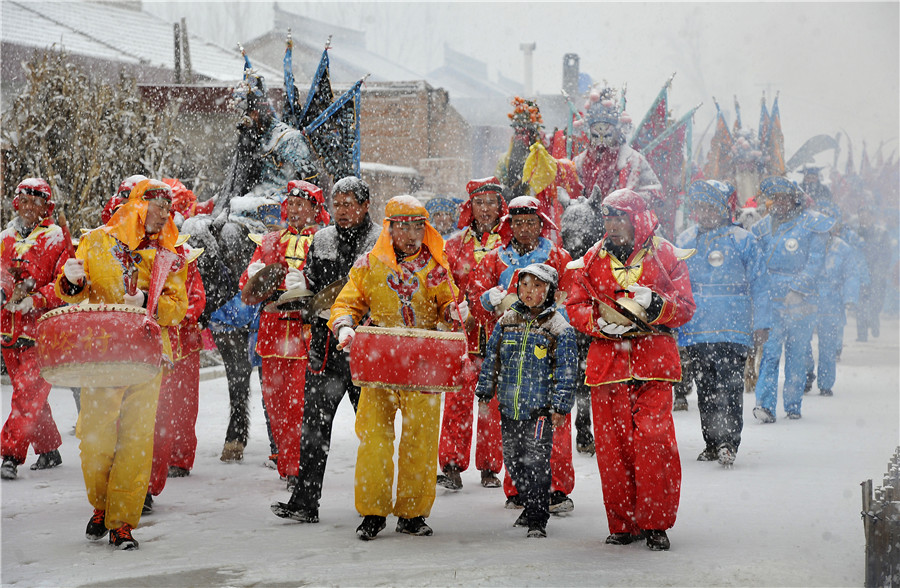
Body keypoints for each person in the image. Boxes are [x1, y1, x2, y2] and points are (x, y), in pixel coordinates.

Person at [55, 179, 188, 550]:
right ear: (136, 204)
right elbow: (73, 293)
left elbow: (178, 307)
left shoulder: (172, 252)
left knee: (137, 440)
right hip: (103, 354)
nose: (165, 214)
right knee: (94, 438)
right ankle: (101, 506)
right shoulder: (96, 241)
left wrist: (146, 299)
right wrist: (69, 281)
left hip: (148, 356)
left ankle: (122, 522)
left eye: (169, 208)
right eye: (159, 205)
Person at [565, 188, 695, 551]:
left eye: (620, 217)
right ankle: (623, 523)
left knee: (654, 442)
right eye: (608, 218)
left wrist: (656, 306)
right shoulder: (591, 259)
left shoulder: (666, 253)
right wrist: (598, 323)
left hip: (654, 364)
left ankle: (655, 522)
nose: (613, 225)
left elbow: (685, 306)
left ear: (637, 218)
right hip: (608, 367)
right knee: (613, 447)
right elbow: (575, 304)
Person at [328, 195, 462, 540]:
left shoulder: (435, 267)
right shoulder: (369, 264)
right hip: (380, 363)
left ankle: (413, 513)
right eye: (404, 226)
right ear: (390, 228)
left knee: (421, 440)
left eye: (418, 226)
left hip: (424, 365)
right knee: (374, 439)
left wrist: (452, 313)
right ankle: (373, 511)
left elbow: (451, 303)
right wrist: (344, 325)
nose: (412, 234)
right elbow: (346, 303)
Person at [270, 176, 381, 523]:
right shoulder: (322, 239)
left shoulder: (380, 242)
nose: (343, 211)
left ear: (365, 206)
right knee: (314, 428)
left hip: (367, 351)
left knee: (373, 431)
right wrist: (295, 291)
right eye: (338, 204)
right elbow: (314, 287)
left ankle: (374, 505)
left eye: (350, 204)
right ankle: (305, 501)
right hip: (328, 349)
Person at [467, 195, 575, 513]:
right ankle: (517, 488)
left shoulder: (558, 256)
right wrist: (486, 300)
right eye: (518, 222)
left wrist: (554, 324)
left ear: (541, 224)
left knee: (554, 423)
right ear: (509, 225)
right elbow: (475, 297)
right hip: (512, 353)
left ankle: (556, 488)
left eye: (530, 222)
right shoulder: (494, 258)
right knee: (514, 425)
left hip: (548, 349)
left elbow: (571, 298)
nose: (524, 228)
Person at [475, 263, 577, 538]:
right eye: (524, 285)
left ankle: (537, 517)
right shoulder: (506, 321)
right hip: (509, 407)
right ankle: (528, 503)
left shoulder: (559, 328)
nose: (529, 292)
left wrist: (560, 406)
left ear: (551, 291)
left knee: (536, 462)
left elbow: (566, 372)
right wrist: (485, 391)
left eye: (537, 286)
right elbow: (492, 359)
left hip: (540, 411)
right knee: (514, 461)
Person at [239, 180, 330, 487]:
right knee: (275, 403)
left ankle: (296, 465)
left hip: (304, 332)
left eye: (301, 204)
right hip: (272, 329)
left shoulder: (323, 240)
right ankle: (286, 461)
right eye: (290, 203)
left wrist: (307, 284)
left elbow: (333, 287)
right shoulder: (268, 241)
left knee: (299, 404)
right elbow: (247, 285)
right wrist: (253, 276)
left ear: (315, 209)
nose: (294, 210)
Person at [675, 180, 768, 466]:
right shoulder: (685, 240)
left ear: (723, 209)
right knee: (705, 388)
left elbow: (760, 284)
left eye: (710, 207)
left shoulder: (744, 240)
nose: (704, 213)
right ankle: (712, 442)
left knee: (729, 386)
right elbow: (674, 284)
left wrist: (762, 322)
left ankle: (728, 441)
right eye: (699, 207)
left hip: (733, 327)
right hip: (697, 328)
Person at [435, 177, 508, 491]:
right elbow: (443, 282)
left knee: (493, 403)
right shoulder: (455, 244)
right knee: (457, 400)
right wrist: (452, 307)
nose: (486, 208)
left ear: (500, 205)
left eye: (491, 201)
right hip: (464, 333)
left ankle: (490, 467)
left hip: (500, 332)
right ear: (471, 207)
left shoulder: (509, 241)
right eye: (480, 202)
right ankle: (451, 464)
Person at [1, 178, 71, 480]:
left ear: (47, 206)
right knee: (28, 395)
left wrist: (36, 299)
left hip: (43, 334)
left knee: (26, 394)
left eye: (37, 201)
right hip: (8, 332)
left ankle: (10, 454)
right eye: (25, 200)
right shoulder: (4, 237)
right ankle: (48, 448)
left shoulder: (57, 238)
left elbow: (66, 285)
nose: (30, 206)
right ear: (17, 202)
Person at [751, 176, 832, 423]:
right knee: (770, 353)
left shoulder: (811, 224)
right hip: (772, 302)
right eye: (775, 198)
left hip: (802, 303)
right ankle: (765, 405)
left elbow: (816, 262)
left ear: (794, 198)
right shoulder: (761, 227)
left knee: (797, 354)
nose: (780, 202)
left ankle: (793, 404)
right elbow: (756, 264)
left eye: (785, 197)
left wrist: (798, 289)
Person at [145, 241, 205, 513]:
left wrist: (180, 316)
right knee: (157, 411)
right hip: (153, 346)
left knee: (184, 406)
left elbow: (196, 298)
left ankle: (180, 458)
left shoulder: (186, 259)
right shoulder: (138, 255)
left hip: (185, 345)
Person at [496, 97, 583, 244]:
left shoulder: (544, 156)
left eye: (525, 131)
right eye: (517, 131)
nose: (521, 136)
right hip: (514, 212)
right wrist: (503, 191)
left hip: (539, 211)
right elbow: (498, 180)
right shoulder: (505, 158)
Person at [572, 96, 664, 229]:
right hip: (589, 229)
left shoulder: (634, 160)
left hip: (626, 227)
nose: (601, 142)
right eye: (596, 136)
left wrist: (628, 201)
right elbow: (574, 196)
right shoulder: (579, 162)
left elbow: (655, 192)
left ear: (617, 133)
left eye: (607, 136)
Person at [803, 202, 860, 396]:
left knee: (828, 345)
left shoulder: (843, 249)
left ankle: (826, 383)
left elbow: (851, 274)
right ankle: (805, 374)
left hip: (831, 303)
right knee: (801, 342)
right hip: (807, 300)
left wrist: (850, 298)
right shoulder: (805, 245)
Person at [854, 203, 891, 342]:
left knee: (875, 303)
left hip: (877, 274)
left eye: (866, 214)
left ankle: (874, 321)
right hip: (860, 274)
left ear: (872, 216)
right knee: (861, 304)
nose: (863, 217)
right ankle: (862, 334)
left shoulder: (882, 233)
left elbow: (886, 254)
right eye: (861, 215)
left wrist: (879, 271)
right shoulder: (855, 233)